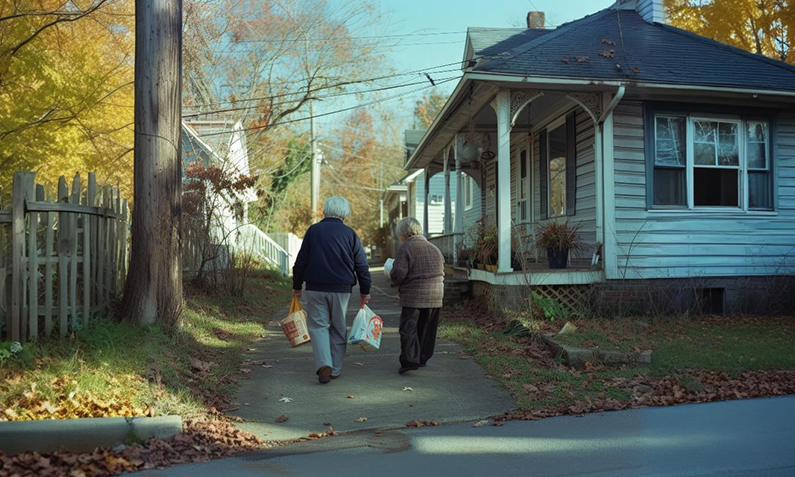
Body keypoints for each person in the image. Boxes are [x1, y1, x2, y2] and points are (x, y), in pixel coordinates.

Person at [293, 197, 372, 384]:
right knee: (338, 327)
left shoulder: (313, 231)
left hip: (315, 288)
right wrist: (365, 289)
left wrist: (297, 286)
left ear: (325, 210)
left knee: (318, 327)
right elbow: (361, 265)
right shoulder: (350, 234)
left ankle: (323, 364)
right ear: (345, 213)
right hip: (341, 290)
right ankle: (335, 369)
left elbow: (301, 261)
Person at [390, 217, 445, 374]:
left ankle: (409, 360)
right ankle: (422, 358)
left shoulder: (406, 248)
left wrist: (392, 277)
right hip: (435, 295)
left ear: (403, 233)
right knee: (427, 328)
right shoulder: (434, 248)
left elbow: (399, 273)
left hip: (413, 296)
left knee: (409, 327)